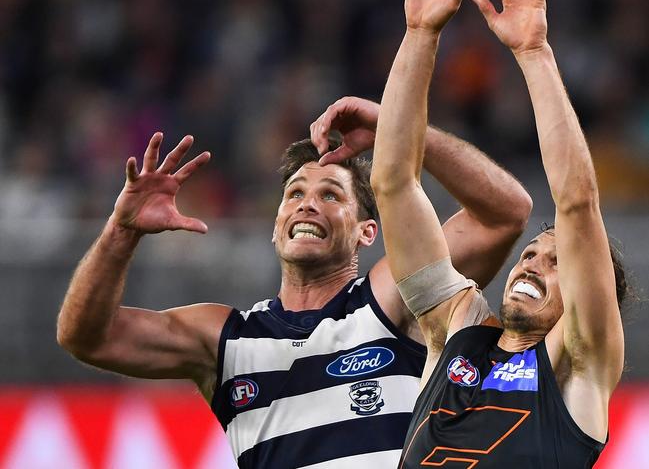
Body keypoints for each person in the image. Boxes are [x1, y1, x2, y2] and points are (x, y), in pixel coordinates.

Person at [56, 102, 530, 466]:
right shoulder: (226, 338)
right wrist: (121, 232)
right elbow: (86, 336)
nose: (307, 204)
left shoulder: (392, 295)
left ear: (368, 231)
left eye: (330, 194)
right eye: (295, 194)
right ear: (276, 222)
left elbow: (504, 214)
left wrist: (396, 127)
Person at [368, 0, 627, 467]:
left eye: (556, 263)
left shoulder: (578, 368)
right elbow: (393, 186)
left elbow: (576, 203)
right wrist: (420, 33)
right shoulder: (456, 331)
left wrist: (533, 52)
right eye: (530, 254)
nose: (532, 264)